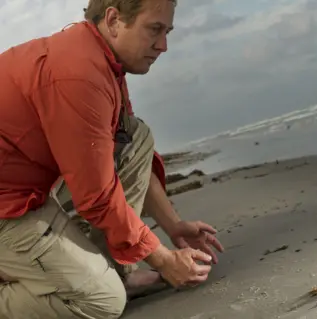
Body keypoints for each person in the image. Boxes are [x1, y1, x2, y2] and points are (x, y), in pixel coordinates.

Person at [0, 0, 224, 318]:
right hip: (8, 207)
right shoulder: (79, 75)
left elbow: (125, 150)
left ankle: (113, 271)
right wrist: (162, 259)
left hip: (26, 188)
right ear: (114, 19)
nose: (163, 46)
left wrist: (173, 226)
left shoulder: (103, 62)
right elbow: (97, 197)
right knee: (102, 301)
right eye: (154, 30)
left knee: (134, 136)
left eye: (167, 32)